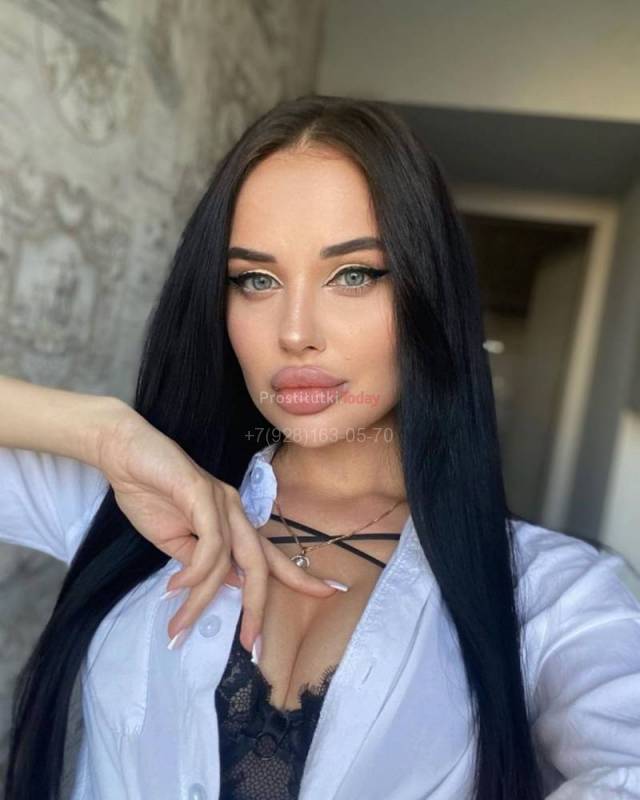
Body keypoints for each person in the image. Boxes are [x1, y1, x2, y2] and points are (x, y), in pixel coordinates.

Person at [2, 94, 640, 800]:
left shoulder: (553, 593)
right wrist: (106, 433)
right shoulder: (136, 502)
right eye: (256, 280)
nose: (296, 332)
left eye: (353, 274)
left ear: (426, 292)